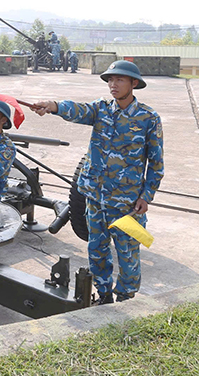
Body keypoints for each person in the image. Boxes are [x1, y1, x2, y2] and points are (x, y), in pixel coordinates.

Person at [33, 60, 164, 304]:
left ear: (134, 83)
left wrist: (147, 196)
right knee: (97, 249)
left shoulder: (148, 118)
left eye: (119, 80)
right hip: (94, 197)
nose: (113, 85)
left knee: (127, 252)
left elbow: (156, 163)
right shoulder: (101, 109)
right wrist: (52, 106)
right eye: (110, 80)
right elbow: (77, 110)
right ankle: (103, 296)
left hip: (126, 202)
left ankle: (125, 297)